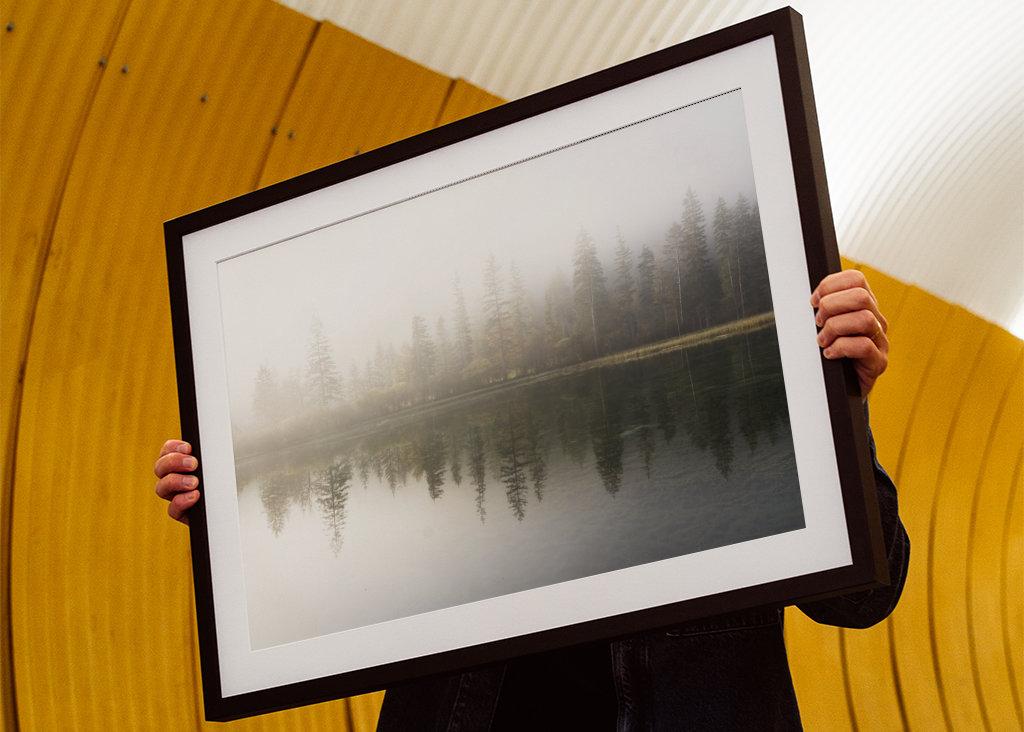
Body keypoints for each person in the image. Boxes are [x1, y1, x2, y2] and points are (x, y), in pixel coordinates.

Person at [155, 269, 909, 731]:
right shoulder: (446, 483)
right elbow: (345, 568)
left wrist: (841, 402)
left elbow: (865, 597)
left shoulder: (771, 380)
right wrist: (238, 507)